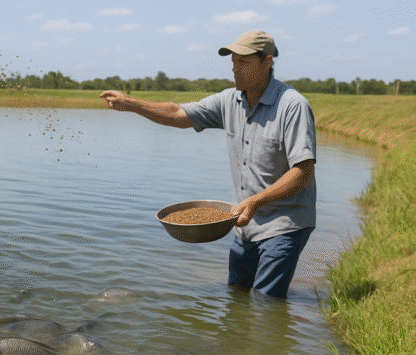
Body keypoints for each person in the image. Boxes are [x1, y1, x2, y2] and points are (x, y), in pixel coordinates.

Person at [99, 30, 317, 299]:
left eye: (244, 63)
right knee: (236, 294)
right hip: (245, 221)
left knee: (266, 303)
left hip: (285, 222)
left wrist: (254, 202)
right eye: (233, 63)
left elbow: (303, 172)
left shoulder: (292, 106)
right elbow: (179, 113)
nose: (235, 70)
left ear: (267, 63)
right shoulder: (230, 100)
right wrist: (131, 104)